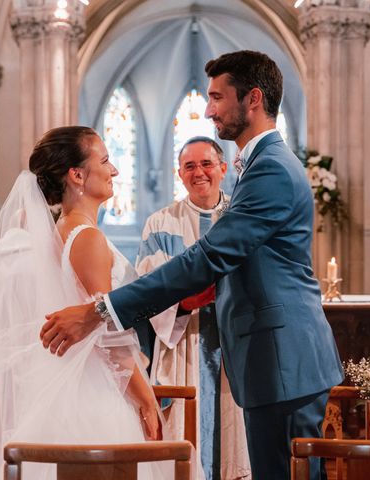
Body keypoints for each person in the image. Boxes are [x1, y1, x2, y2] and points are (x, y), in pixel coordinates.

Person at [41, 50, 344, 480]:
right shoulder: (261, 165)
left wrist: (101, 310)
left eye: (218, 97)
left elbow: (208, 257)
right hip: (275, 359)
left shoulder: (271, 168)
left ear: (252, 99)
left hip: (284, 359)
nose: (209, 109)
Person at [0, 127, 172, 480]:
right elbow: (109, 333)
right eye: (105, 161)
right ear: (77, 175)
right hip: (95, 392)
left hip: (72, 386)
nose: (115, 170)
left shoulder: (60, 232)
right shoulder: (86, 237)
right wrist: (146, 398)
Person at [136, 136, 250, 480]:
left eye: (206, 164)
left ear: (223, 169)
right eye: (189, 166)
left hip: (236, 342)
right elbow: (147, 287)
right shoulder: (160, 223)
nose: (198, 172)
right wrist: (188, 300)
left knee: (237, 441)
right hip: (184, 343)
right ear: (179, 174)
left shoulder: (242, 215)